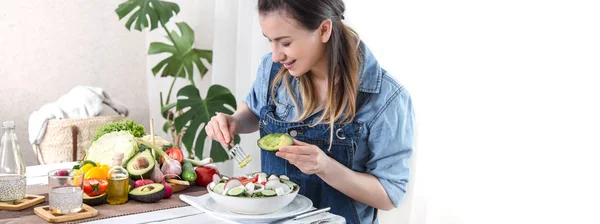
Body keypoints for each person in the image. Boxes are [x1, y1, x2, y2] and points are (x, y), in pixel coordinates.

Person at [205, 0, 414, 223]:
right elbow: (254, 112)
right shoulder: (273, 69)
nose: (276, 55)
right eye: (270, 41)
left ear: (324, 30)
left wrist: (325, 167)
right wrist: (235, 121)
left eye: (285, 43)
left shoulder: (385, 97)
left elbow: (389, 195)